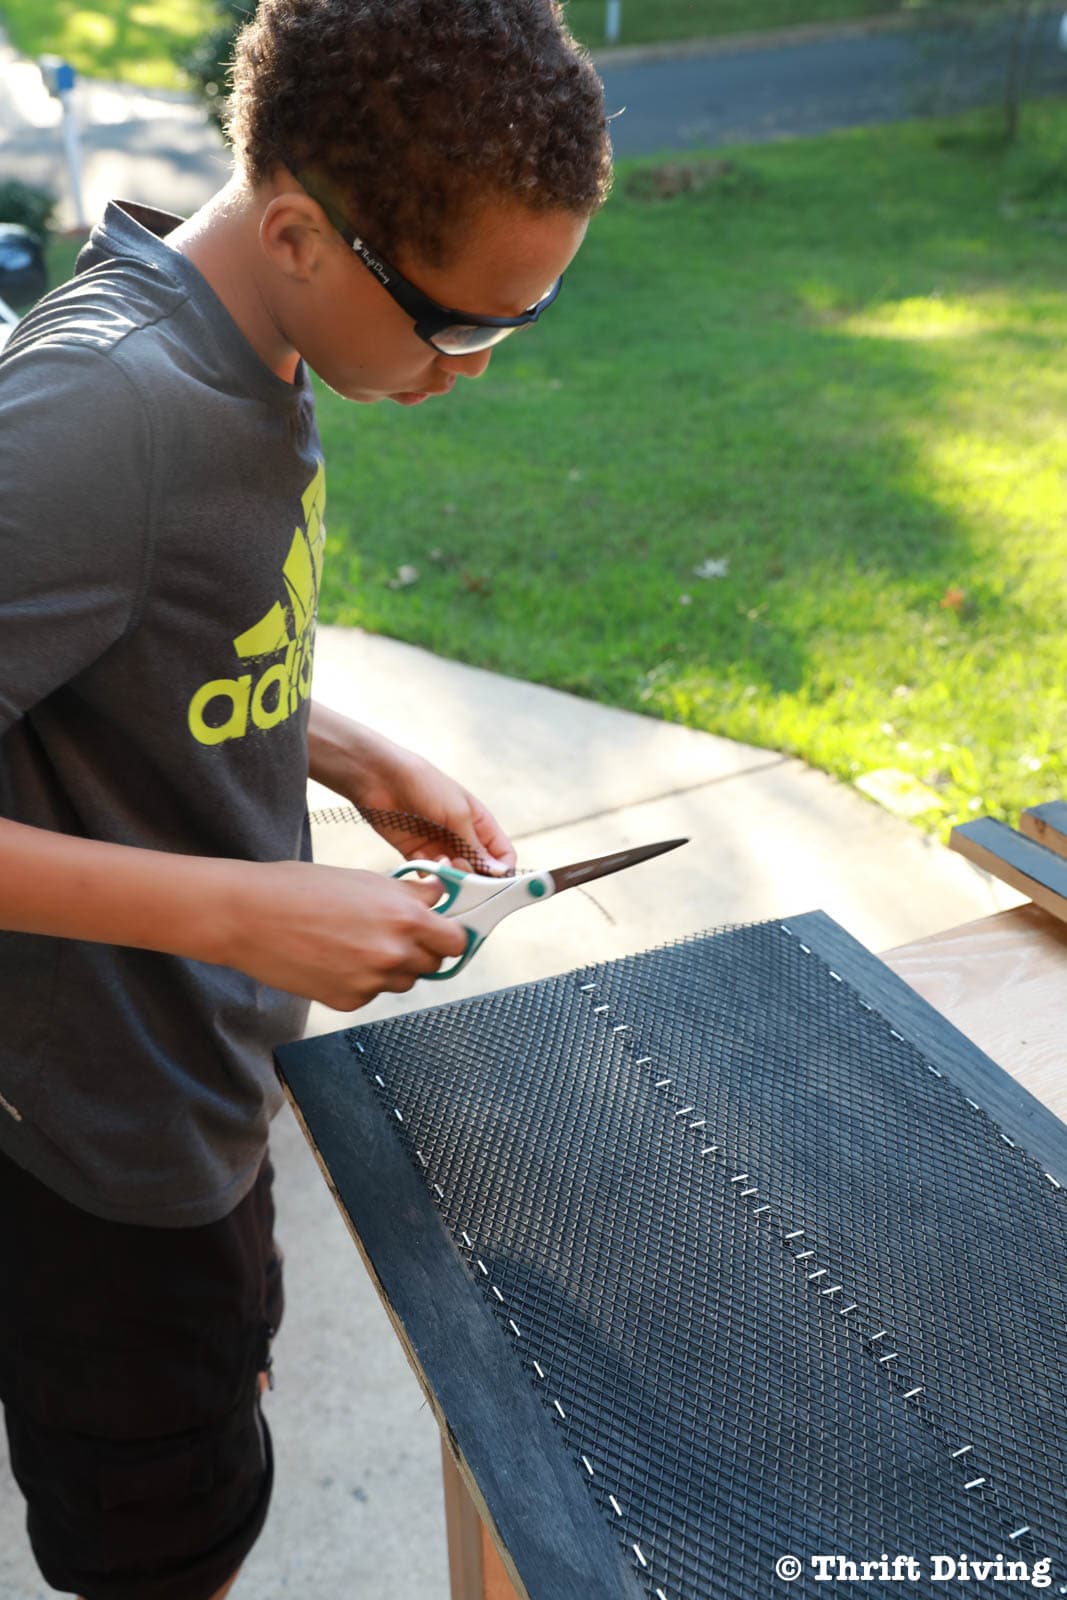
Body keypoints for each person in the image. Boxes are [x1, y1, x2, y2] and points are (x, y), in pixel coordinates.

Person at [0, 1, 612, 1595]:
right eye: (454, 323)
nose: (464, 370)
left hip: (199, 1086)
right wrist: (245, 908)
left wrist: (337, 749)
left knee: (221, 1427)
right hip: (98, 1146)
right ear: (298, 229)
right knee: (169, 1544)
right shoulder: (102, 415)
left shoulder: (240, 343)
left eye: (509, 329)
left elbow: (130, 632)